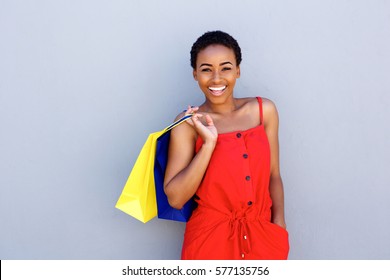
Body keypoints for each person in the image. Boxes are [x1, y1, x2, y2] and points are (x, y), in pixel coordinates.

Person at [163, 30, 289, 260]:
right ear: (195, 74)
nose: (217, 78)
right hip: (208, 243)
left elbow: (274, 175)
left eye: (226, 67)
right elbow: (176, 198)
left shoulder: (264, 111)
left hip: (263, 238)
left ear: (238, 71)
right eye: (206, 69)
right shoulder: (188, 123)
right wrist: (209, 144)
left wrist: (279, 227)